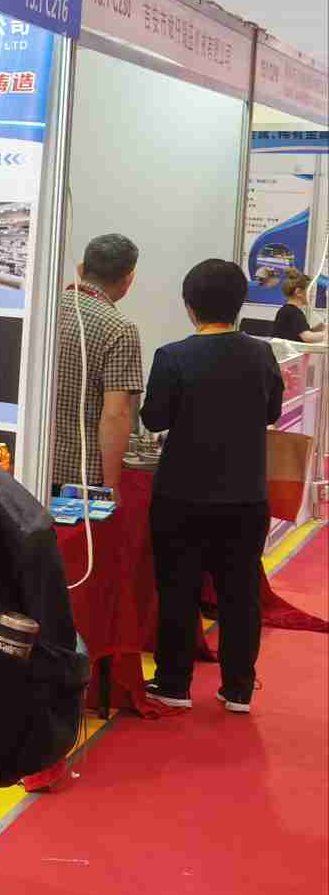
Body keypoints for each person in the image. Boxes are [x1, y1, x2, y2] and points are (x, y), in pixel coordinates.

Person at [141, 259, 285, 714]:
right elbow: (272, 412)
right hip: (245, 494)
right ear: (240, 303)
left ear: (189, 306)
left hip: (180, 493)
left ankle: (173, 682)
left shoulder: (172, 356)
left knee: (177, 589)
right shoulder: (261, 355)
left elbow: (154, 418)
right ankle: (238, 687)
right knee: (240, 593)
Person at [52, 233, 143, 495]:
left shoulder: (46, 309)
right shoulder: (119, 329)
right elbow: (116, 415)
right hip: (79, 476)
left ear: (81, 269)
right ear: (128, 280)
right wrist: (111, 486)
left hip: (31, 462)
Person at [272, 268, 325, 343]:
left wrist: (322, 325)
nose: (313, 295)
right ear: (298, 292)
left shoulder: (288, 310)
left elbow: (302, 333)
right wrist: (326, 335)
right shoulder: (294, 312)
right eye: (310, 291)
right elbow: (308, 337)